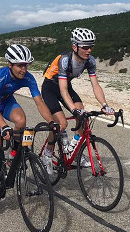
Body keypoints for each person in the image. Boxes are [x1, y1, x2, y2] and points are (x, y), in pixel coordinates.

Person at [0, 44, 59, 207]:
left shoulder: (28, 78)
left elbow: (39, 102)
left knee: (21, 121)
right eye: (19, 65)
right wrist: (4, 126)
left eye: (26, 65)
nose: (23, 69)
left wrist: (52, 122)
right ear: (10, 64)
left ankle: (12, 155)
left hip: (8, 101)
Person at [41, 27, 115, 168]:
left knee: (83, 115)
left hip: (65, 86)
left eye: (91, 47)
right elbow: (62, 90)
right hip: (50, 87)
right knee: (61, 124)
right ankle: (48, 153)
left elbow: (95, 85)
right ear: (74, 47)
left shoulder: (90, 61)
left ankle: (76, 151)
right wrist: (73, 109)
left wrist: (105, 105)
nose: (89, 50)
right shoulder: (64, 60)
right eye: (85, 47)